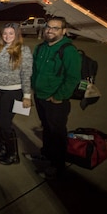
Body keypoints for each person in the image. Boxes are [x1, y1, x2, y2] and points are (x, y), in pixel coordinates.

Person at [28, 16, 81, 180]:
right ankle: (46, 155)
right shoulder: (41, 48)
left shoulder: (68, 51)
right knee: (47, 128)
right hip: (40, 96)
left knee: (57, 133)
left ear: (64, 31)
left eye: (55, 28)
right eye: (48, 27)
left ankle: (58, 165)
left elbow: (73, 78)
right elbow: (34, 71)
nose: (50, 30)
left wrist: (59, 97)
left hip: (56, 100)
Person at [0, 23, 32, 165]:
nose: (7, 36)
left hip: (13, 91)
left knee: (5, 123)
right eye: (5, 33)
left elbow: (26, 74)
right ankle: (1, 148)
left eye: (11, 33)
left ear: (16, 35)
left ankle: (13, 154)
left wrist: (27, 95)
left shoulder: (23, 50)